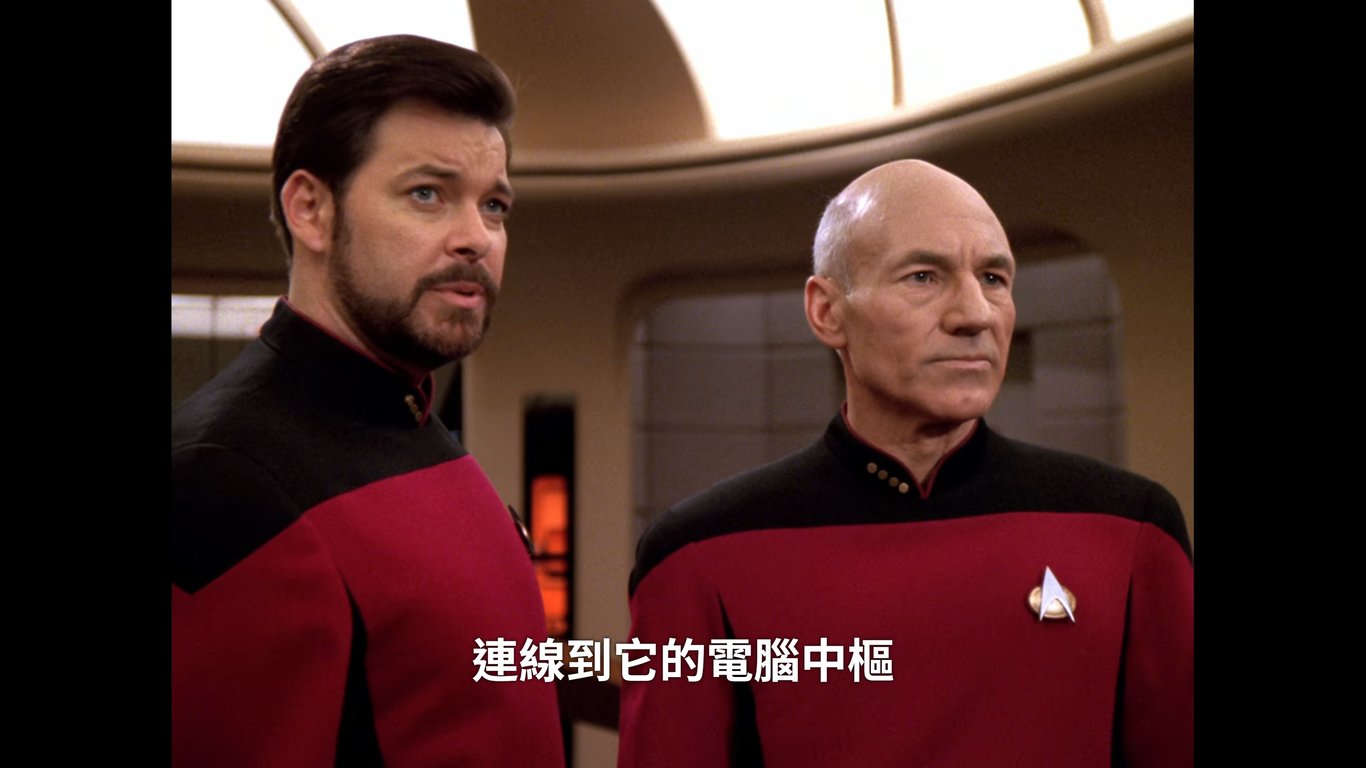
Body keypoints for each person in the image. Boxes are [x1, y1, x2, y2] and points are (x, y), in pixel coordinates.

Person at [618, 160, 1193, 767]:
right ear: (826, 312)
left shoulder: (1132, 529)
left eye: (994, 278)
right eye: (923, 277)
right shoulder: (699, 555)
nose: (974, 314)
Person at [171, 35, 564, 766]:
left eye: (494, 205)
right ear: (311, 210)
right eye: (427, 194)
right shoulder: (219, 479)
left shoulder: (411, 419)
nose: (477, 238)